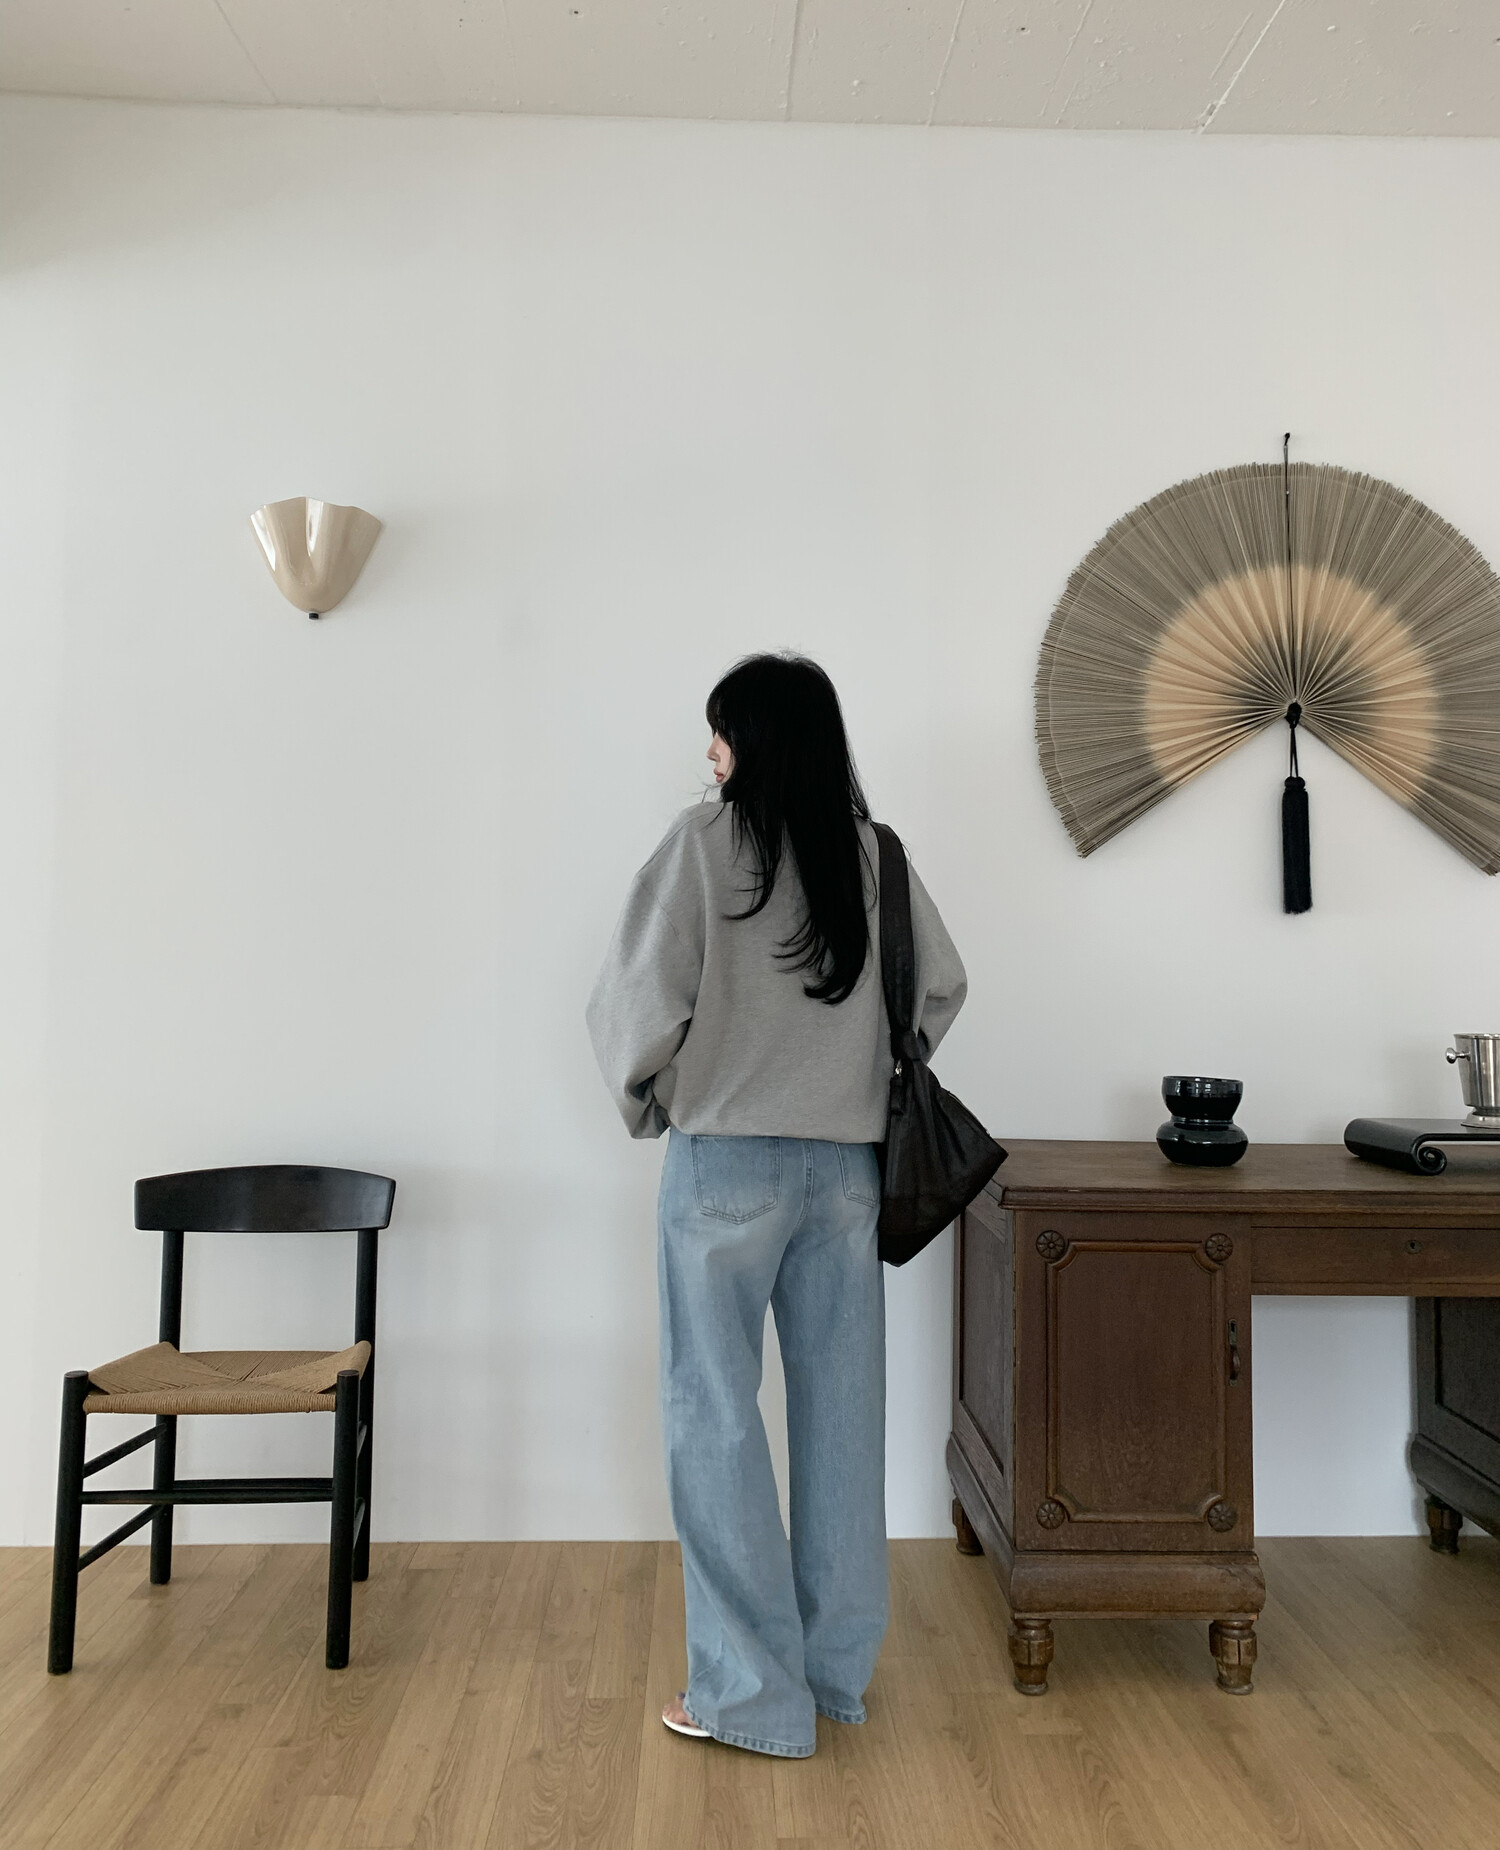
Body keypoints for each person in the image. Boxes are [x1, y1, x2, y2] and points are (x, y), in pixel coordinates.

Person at [586, 652, 967, 1759]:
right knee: (844, 1418)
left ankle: (752, 1696)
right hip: (848, 1171)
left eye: (722, 731)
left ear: (755, 741)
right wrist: (852, 1076)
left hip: (727, 1166)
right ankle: (834, 1675)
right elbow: (939, 988)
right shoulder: (872, 853)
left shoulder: (705, 844)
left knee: (715, 1415)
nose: (710, 752)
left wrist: (662, 1096)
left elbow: (634, 1002)